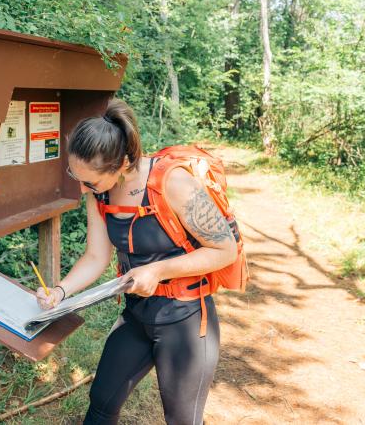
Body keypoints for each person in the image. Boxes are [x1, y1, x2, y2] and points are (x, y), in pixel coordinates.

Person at [36, 98, 238, 425]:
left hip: (185, 319)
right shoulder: (100, 193)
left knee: (183, 420)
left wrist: (157, 270)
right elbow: (95, 256)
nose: (82, 187)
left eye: (89, 181)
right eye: (76, 175)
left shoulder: (172, 182)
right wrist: (59, 292)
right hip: (137, 314)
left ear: (119, 166)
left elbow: (224, 250)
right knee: (101, 402)